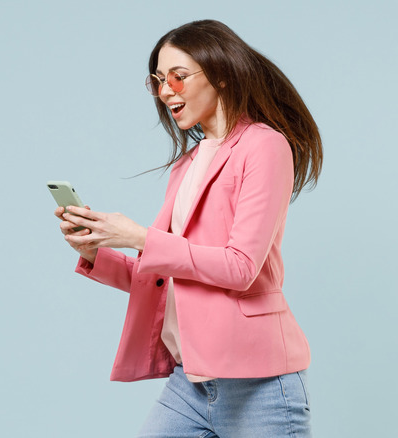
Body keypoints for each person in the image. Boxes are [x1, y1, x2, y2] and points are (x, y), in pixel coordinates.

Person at [55, 19, 323, 438]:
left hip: (260, 385)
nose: (166, 92)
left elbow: (240, 267)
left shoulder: (265, 146)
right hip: (192, 381)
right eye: (158, 81)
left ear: (219, 74)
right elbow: (170, 279)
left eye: (178, 78)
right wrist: (95, 252)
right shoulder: (187, 165)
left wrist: (141, 237)